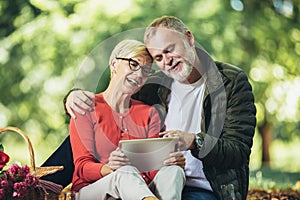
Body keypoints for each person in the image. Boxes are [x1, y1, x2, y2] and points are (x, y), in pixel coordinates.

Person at [43, 16, 256, 200]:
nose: (167, 62)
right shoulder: (153, 85)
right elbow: (107, 103)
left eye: (170, 50)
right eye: (159, 58)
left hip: (202, 187)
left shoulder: (230, 81)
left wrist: (194, 141)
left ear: (189, 38)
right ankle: (40, 184)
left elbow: (237, 151)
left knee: (169, 174)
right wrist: (72, 97)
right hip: (144, 187)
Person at [68, 39, 185, 200]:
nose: (139, 75)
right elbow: (82, 167)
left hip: (139, 190)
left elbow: (152, 169)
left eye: (145, 71)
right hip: (93, 191)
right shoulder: (86, 108)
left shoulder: (149, 114)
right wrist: (109, 168)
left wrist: (169, 161)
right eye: (133, 64)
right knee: (125, 171)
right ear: (114, 64)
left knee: (174, 172)